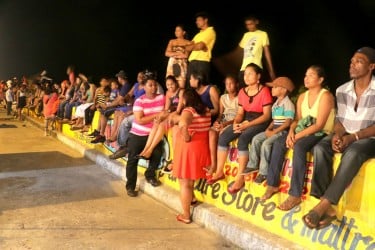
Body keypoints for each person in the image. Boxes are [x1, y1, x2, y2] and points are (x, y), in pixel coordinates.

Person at [302, 47, 375, 229]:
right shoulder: (342, 90)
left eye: (359, 61)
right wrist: (338, 134)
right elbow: (340, 120)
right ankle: (326, 207)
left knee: (354, 151)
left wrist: (354, 137)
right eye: (351, 61)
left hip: (369, 138)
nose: (352, 64)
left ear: (371, 66)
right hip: (347, 134)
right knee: (320, 147)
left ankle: (324, 205)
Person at [261, 65, 336, 211]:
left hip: (321, 133)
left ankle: (295, 195)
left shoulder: (326, 96)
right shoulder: (302, 97)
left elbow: (319, 125)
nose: (306, 78)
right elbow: (296, 120)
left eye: (311, 75)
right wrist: (290, 132)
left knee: (299, 146)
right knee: (279, 142)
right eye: (305, 75)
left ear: (320, 79)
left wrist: (296, 137)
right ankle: (272, 184)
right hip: (302, 131)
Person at [210, 63, 273, 193]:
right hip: (246, 119)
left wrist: (247, 125)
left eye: (250, 74)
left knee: (244, 139)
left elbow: (267, 116)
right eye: (245, 74)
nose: (247, 77)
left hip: (260, 121)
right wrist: (236, 123)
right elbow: (240, 113)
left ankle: (240, 178)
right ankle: (219, 171)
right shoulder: (242, 92)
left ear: (258, 76)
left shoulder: (264, 91)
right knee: (223, 137)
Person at [240, 77, 295, 185]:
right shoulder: (276, 104)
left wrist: (274, 132)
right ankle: (252, 164)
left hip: (282, 132)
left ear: (283, 90)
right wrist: (268, 129)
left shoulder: (288, 104)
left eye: (275, 87)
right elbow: (274, 120)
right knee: (256, 139)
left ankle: (264, 172)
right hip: (274, 130)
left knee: (266, 144)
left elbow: (287, 123)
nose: (272, 89)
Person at [171, 88, 212, 224]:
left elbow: (183, 123)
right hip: (202, 147)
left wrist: (186, 135)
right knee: (190, 180)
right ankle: (192, 198)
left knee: (185, 182)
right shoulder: (206, 110)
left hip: (189, 148)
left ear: (185, 100)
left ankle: (186, 215)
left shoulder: (188, 111)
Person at [124, 72, 168, 197]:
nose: (153, 88)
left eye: (154, 85)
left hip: (153, 135)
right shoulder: (139, 101)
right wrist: (157, 115)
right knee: (132, 160)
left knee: (157, 154)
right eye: (150, 85)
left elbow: (167, 111)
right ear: (144, 87)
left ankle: (150, 175)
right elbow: (139, 120)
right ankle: (130, 186)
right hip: (138, 134)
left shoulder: (162, 98)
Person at [137, 75, 184, 162]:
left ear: (176, 83)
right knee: (156, 122)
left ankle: (150, 150)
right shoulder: (168, 93)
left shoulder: (181, 91)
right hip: (171, 113)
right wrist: (160, 116)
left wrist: (166, 115)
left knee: (162, 124)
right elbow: (166, 109)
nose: (170, 86)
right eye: (168, 85)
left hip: (180, 114)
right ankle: (145, 149)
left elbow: (178, 110)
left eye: (172, 84)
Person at [205, 74, 239, 178]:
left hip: (233, 122)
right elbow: (220, 114)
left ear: (236, 84)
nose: (229, 86)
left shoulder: (240, 98)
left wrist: (225, 124)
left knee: (221, 133)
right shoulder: (223, 98)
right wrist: (218, 122)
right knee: (211, 131)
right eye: (227, 84)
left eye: (231, 83)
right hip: (224, 121)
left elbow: (239, 116)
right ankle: (213, 164)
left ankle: (218, 167)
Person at [238, 15, 276, 86]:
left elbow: (267, 53)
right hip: (244, 69)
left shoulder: (263, 34)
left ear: (256, 22)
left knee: (256, 91)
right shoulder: (245, 35)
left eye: (251, 24)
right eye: (247, 25)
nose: (249, 26)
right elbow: (239, 52)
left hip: (256, 67)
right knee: (243, 92)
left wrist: (271, 71)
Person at [185, 11, 216, 88]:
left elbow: (200, 46)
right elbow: (187, 47)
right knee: (190, 88)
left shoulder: (210, 31)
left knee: (202, 87)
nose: (196, 22)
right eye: (196, 20)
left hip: (202, 62)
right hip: (192, 62)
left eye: (199, 20)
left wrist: (193, 46)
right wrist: (195, 46)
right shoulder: (197, 35)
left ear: (205, 20)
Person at [165, 24, 192, 88]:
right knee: (170, 85)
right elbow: (167, 53)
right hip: (172, 63)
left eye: (178, 30)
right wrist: (178, 54)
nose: (176, 32)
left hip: (182, 64)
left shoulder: (188, 42)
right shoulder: (172, 41)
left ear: (184, 32)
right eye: (175, 31)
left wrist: (173, 54)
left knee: (181, 86)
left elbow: (186, 55)